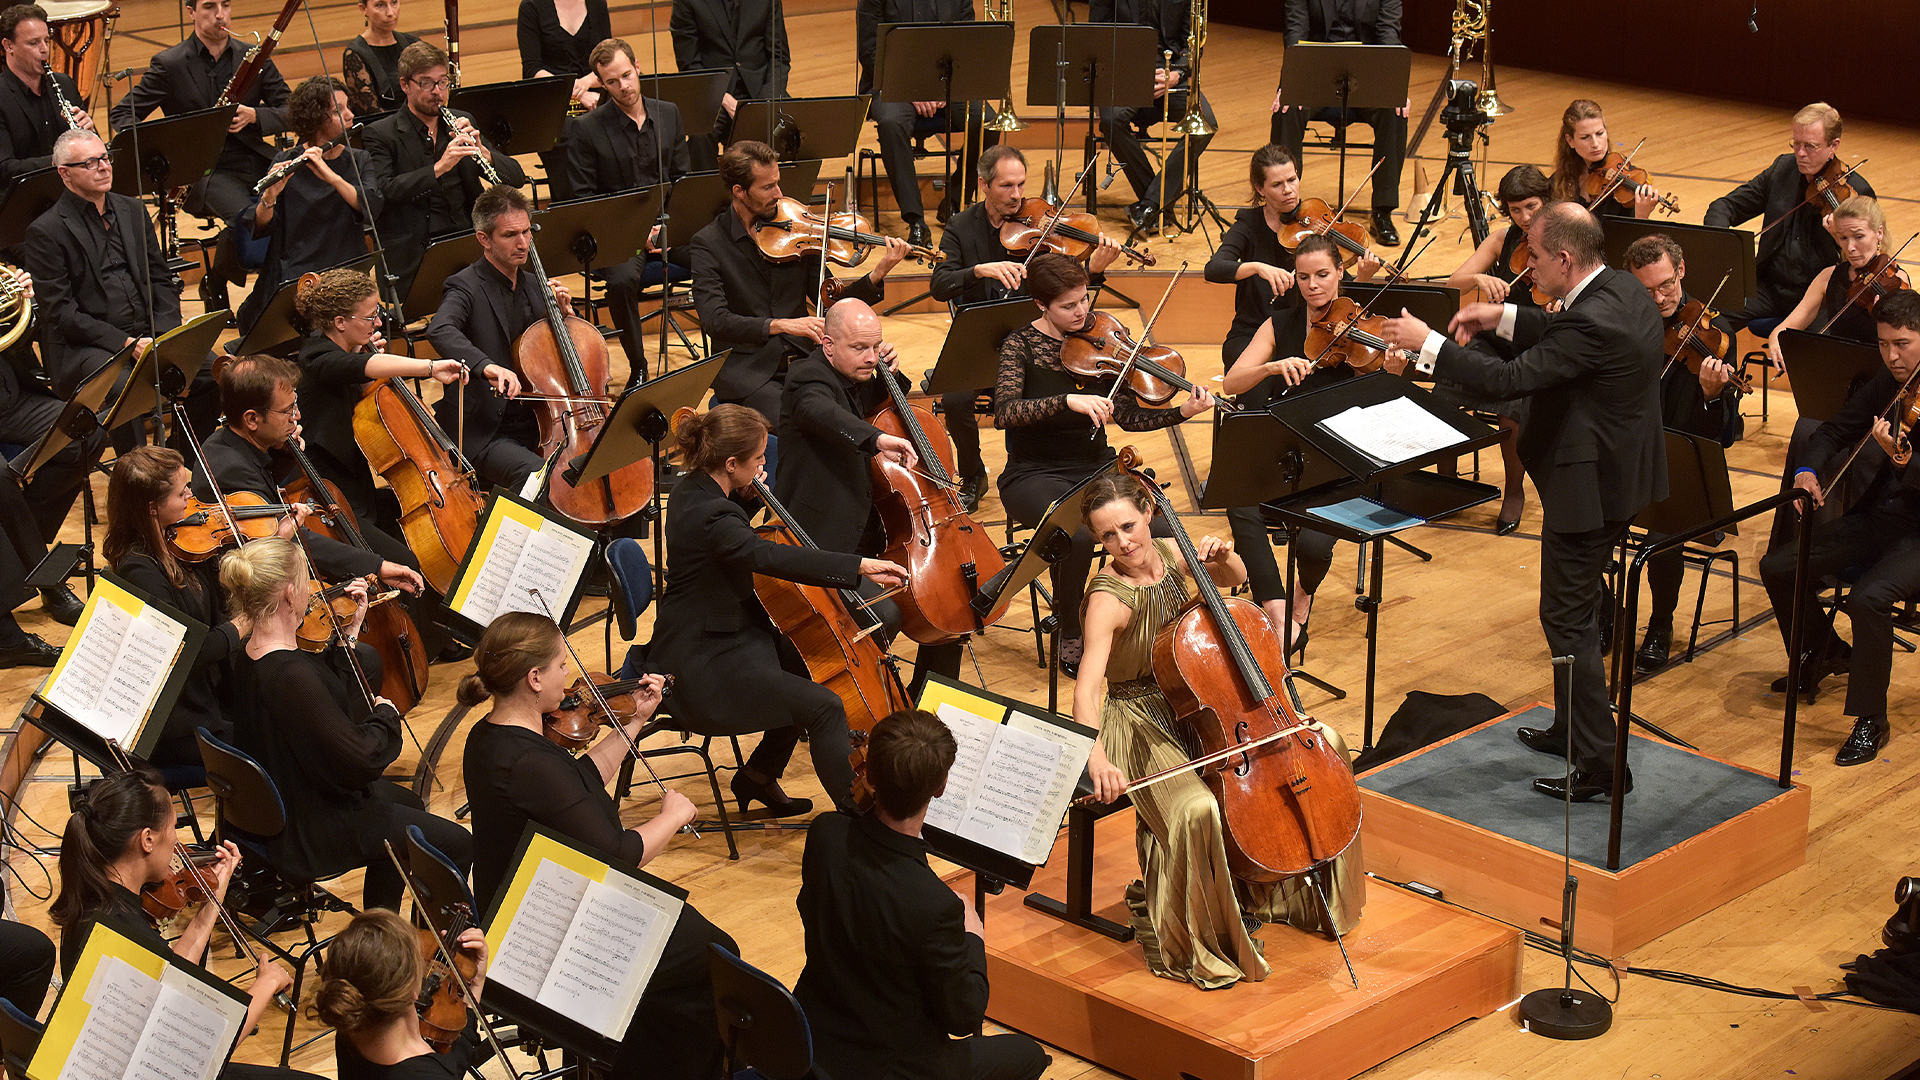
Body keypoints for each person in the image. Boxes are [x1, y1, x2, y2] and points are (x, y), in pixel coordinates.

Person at [1383, 201, 1665, 801]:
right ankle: (1571, 730)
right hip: (1621, 477)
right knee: (1574, 617)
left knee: (1568, 621)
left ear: (1564, 258)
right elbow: (1564, 332)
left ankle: (1600, 765)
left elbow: (1513, 379)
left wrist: (1427, 342)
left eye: (1534, 257)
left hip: (1587, 491)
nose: (1527, 266)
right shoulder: (1620, 289)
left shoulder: (1592, 319)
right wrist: (1500, 315)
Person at [1074, 474, 1362, 987]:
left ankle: (1292, 893)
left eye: (1129, 526)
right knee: (1195, 807)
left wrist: (1222, 554)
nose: (1124, 543)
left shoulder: (1169, 549)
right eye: (1107, 538)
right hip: (1138, 715)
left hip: (1200, 695)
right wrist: (1095, 757)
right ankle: (1202, 937)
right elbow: (1088, 688)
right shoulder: (1107, 601)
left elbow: (1234, 576)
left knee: (1332, 745)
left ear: (1147, 512)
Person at [459, 611, 735, 1079]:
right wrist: (671, 818)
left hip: (528, 900)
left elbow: (579, 780)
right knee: (717, 955)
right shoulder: (530, 762)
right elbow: (620, 855)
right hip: (545, 926)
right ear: (533, 677)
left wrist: (635, 722)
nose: (570, 678)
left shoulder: (488, 737)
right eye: (562, 667)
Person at [645, 404, 908, 816]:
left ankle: (758, 776)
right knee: (824, 705)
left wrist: (746, 500)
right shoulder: (712, 514)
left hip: (726, 635)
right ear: (731, 463)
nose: (764, 465)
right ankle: (857, 816)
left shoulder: (693, 489)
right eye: (758, 459)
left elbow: (724, 538)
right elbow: (764, 555)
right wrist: (856, 565)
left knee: (807, 669)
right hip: (704, 664)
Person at [795, 709, 1050, 1079]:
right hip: (887, 1066)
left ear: (869, 774)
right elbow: (964, 1016)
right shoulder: (933, 905)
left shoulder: (825, 834)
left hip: (811, 1039)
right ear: (941, 786)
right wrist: (972, 938)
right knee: (1028, 1054)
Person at [222, 537, 472, 910]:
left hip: (292, 798)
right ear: (291, 593)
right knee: (457, 843)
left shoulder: (249, 655)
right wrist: (386, 717)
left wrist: (350, 638)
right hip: (316, 825)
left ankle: (380, 921)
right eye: (307, 578)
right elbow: (360, 760)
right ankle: (428, 948)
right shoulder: (290, 676)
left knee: (411, 805)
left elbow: (322, 713)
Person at [995, 252, 1216, 673]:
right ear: (1041, 305)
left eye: (1084, 300)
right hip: (1034, 474)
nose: (1081, 313)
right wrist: (1066, 400)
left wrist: (1181, 413)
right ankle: (1071, 626)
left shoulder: (1104, 338)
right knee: (1075, 537)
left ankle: (1170, 620)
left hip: (1097, 470)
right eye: (1068, 306)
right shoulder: (1019, 346)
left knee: (1163, 525)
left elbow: (1130, 417)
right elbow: (1005, 411)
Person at [1220, 234, 1407, 655]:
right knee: (1239, 501)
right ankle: (1276, 606)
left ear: (1341, 273)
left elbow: (1381, 404)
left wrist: (1391, 373)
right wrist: (1271, 365)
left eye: (1323, 275)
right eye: (1303, 277)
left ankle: (1303, 591)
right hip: (1285, 445)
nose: (1313, 285)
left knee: (1314, 543)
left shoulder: (1363, 331)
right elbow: (1233, 381)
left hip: (1339, 450)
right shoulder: (1279, 323)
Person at [1758, 290, 1920, 765]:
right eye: (1884, 343)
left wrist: (1901, 457)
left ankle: (1872, 719)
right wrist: (1806, 472)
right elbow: (1831, 431)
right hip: (1888, 518)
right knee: (1780, 565)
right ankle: (1823, 651)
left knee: (1869, 597)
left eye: (1904, 344)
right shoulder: (1889, 383)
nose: (1892, 355)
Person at [51, 768, 298, 1070]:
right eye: (174, 827)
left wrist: (213, 898)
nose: (178, 841)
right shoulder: (127, 934)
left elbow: (171, 973)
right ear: (147, 840)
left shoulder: (93, 898)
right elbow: (215, 1041)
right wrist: (268, 981)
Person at [774, 298, 964, 690]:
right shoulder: (807, 378)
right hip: (825, 539)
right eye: (859, 348)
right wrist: (876, 438)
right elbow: (823, 413)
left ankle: (924, 706)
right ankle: (843, 694)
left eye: (875, 347)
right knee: (885, 616)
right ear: (828, 345)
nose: (869, 356)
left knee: (953, 605)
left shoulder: (866, 374)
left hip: (881, 533)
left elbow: (886, 404)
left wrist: (891, 374)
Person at [930, 144, 1119, 513]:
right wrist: (978, 270)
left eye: (1021, 185)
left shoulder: (1043, 229)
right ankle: (972, 475)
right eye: (1006, 186)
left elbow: (1070, 297)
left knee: (1052, 385)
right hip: (984, 345)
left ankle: (1044, 466)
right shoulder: (961, 227)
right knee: (955, 398)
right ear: (984, 185)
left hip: (1038, 345)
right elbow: (939, 285)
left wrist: (1093, 268)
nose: (1017, 196)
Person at [689, 140, 906, 421]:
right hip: (750, 372)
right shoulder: (709, 244)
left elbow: (832, 302)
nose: (779, 194)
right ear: (739, 191)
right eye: (767, 187)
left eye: (778, 183)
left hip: (805, 359)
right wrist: (781, 325)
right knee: (807, 419)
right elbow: (715, 320)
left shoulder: (798, 233)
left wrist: (879, 273)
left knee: (862, 401)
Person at [108, 0, 290, 312]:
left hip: (255, 160)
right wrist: (170, 150)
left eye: (226, 5)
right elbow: (123, 116)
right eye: (209, 6)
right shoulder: (170, 64)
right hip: (204, 173)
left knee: (295, 205)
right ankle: (217, 281)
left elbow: (291, 109)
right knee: (246, 217)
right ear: (191, 12)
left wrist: (255, 116)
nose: (220, 14)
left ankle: (276, 293)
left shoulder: (255, 58)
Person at [196, 354, 424, 599]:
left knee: (404, 557)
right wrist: (376, 566)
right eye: (286, 411)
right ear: (252, 419)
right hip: (259, 584)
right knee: (397, 566)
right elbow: (289, 538)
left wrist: (285, 455)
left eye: (295, 404)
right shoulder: (229, 470)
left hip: (291, 544)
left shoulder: (236, 442)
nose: (297, 417)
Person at [23, 130, 202, 432]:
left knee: (211, 373)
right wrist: (126, 344)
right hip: (87, 347)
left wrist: (165, 333)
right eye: (90, 163)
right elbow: (62, 314)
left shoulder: (132, 210)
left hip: (148, 333)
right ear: (65, 174)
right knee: (128, 390)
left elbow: (160, 278)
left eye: (105, 158)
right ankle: (136, 476)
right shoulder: (46, 231)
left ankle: (186, 464)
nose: (104, 167)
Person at [1761, 195, 1907, 555]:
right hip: (1834, 387)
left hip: (1876, 395)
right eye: (1842, 239)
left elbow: (1900, 342)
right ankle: (1798, 542)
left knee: (1851, 447)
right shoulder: (1830, 276)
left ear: (1879, 234)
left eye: (1858, 236)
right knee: (1805, 431)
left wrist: (1878, 308)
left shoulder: (1895, 280)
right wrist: (1779, 338)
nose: (1851, 247)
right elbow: (1790, 323)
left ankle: (1843, 546)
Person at [1621, 233, 1740, 672]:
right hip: (1631, 455)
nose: (1659, 298)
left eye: (1666, 285)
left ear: (1681, 271)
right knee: (1581, 510)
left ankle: (1660, 623)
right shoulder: (1625, 319)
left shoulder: (1713, 333)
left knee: (1661, 534)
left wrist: (1712, 395)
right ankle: (1603, 610)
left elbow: (1719, 436)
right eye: (1646, 290)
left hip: (1680, 471)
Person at [103, 446, 260, 767]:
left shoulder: (181, 540)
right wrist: (243, 624)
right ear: (151, 509)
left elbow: (216, 600)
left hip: (215, 692)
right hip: (181, 723)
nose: (191, 495)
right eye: (181, 492)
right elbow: (189, 650)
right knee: (282, 738)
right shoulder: (139, 571)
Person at [292, 269, 465, 540]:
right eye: (370, 316)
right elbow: (362, 368)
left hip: (356, 475)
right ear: (340, 322)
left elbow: (364, 386)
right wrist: (430, 367)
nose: (378, 322)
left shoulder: (345, 350)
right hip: (334, 490)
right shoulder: (315, 357)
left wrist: (358, 347)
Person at [424, 184, 566, 492]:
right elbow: (440, 329)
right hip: (487, 431)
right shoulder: (465, 286)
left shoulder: (534, 285)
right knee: (538, 477)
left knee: (597, 464)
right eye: (510, 235)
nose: (523, 243)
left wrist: (564, 318)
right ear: (484, 239)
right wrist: (488, 367)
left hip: (541, 422)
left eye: (527, 232)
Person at [364, 41, 527, 309]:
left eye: (443, 83)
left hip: (468, 241)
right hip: (417, 251)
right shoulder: (382, 134)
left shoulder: (461, 120)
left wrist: (484, 152)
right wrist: (439, 168)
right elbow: (384, 192)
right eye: (427, 83)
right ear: (405, 85)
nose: (437, 92)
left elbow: (516, 177)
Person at [1437, 164, 1552, 534]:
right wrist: (1480, 278)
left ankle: (1514, 491)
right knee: (1445, 381)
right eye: (1515, 209)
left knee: (1512, 407)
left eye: (1531, 207)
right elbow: (1456, 280)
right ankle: (1447, 484)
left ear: (1546, 201)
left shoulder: (1563, 242)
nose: (1524, 217)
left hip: (1535, 345)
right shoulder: (1502, 240)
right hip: (1494, 338)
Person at [567, 37, 693, 375]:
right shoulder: (586, 129)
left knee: (719, 255)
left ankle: (729, 354)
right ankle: (638, 367)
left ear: (637, 68)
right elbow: (584, 198)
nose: (623, 86)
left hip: (669, 227)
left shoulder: (668, 114)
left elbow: (684, 181)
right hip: (620, 234)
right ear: (601, 83)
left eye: (627, 75)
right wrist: (639, 232)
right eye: (612, 81)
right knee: (621, 282)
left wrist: (666, 226)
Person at [1704, 102, 1876, 330]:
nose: (1801, 153)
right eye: (1796, 144)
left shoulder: (1856, 192)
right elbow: (1725, 206)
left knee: (1817, 345)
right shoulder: (1783, 170)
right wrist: (1723, 243)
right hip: (1768, 290)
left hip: (1820, 299)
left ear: (1833, 146)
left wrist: (1840, 237)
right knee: (1708, 320)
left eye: (1811, 146)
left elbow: (1866, 260)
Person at [237, 76, 382, 335]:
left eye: (348, 107)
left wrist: (331, 176)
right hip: (300, 277)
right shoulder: (286, 160)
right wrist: (270, 196)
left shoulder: (359, 159)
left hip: (346, 274)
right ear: (316, 118)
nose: (350, 115)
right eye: (339, 110)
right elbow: (259, 226)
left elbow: (371, 206)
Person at [854, 0, 997, 248]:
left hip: (946, 86)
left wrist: (939, 89)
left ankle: (955, 199)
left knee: (988, 120)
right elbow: (869, 51)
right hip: (892, 85)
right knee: (890, 123)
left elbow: (967, 43)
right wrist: (912, 89)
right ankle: (916, 221)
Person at [1268, 0, 1406, 246]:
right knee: (1286, 110)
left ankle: (1383, 212)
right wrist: (1290, 84)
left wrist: (1394, 85)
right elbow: (1295, 33)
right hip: (1316, 78)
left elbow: (1388, 35)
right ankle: (1286, 209)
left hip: (1365, 80)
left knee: (1395, 113)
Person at [313, 909, 487, 1079]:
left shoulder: (351, 1021)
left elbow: (454, 1061)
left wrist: (475, 984)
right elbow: (449, 1067)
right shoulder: (429, 1073)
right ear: (413, 992)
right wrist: (477, 983)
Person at [1090, 0, 1215, 235]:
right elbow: (1099, 36)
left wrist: (1177, 72)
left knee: (1205, 122)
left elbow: (1193, 42)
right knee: (1111, 121)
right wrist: (1133, 72)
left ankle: (1150, 204)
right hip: (1125, 71)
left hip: (1171, 72)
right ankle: (1156, 204)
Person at [669, 0, 789, 169]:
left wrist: (766, 101)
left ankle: (780, 191)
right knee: (700, 135)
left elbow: (779, 57)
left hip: (760, 90)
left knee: (792, 125)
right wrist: (721, 98)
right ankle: (707, 192)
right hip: (713, 93)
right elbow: (689, 65)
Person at [0, 3, 93, 183]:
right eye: (33, 43)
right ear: (8, 46)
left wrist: (89, 134)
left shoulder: (64, 84)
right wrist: (60, 162)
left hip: (71, 191)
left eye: (46, 40)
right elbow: (4, 168)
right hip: (20, 200)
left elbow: (90, 150)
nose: (44, 49)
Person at [1547, 99, 1663, 220]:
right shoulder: (1558, 182)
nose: (1595, 143)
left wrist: (1641, 216)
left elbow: (1632, 237)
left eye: (1599, 133)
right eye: (1585, 137)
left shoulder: (1621, 189)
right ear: (1570, 141)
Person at [518, 0, 609, 112]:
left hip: (595, 99)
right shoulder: (531, 6)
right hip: (552, 101)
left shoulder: (597, 3)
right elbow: (532, 69)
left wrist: (587, 81)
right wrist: (576, 92)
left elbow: (608, 60)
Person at [341, 0, 421, 116]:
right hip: (385, 130)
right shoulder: (355, 55)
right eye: (380, 5)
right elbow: (370, 113)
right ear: (364, 9)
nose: (390, 12)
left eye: (394, 2)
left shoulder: (413, 44)